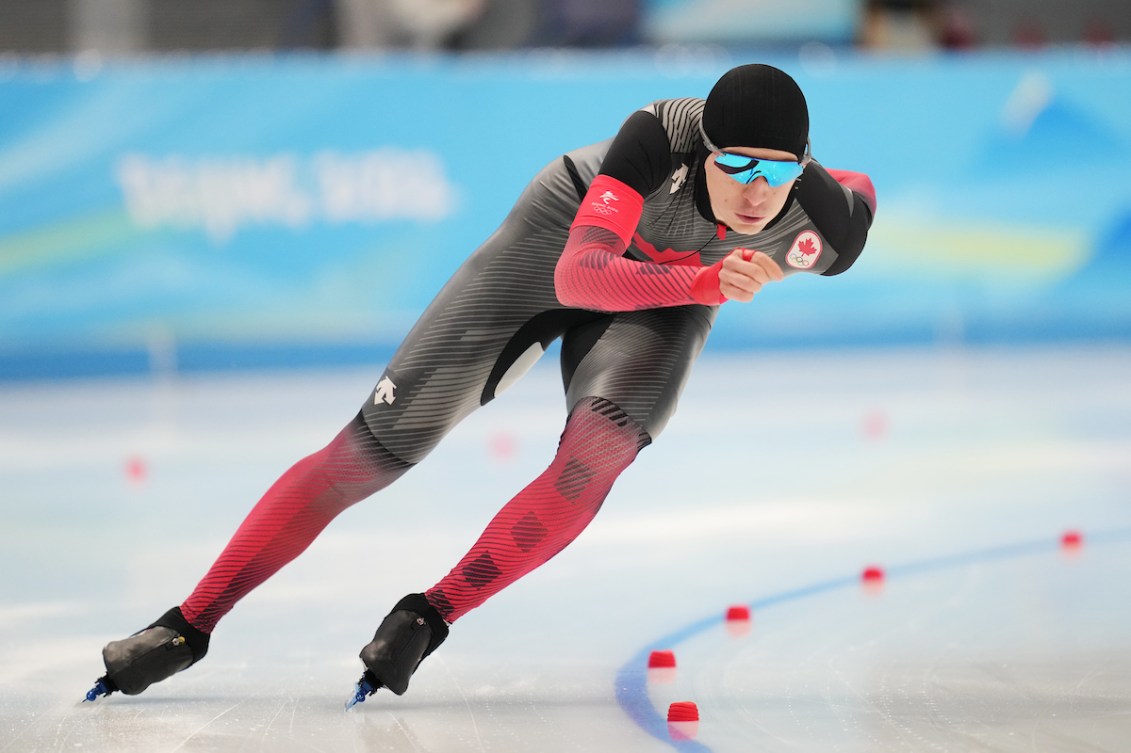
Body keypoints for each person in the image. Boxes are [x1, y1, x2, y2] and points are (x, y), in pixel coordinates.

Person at [87, 63, 876, 704]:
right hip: (558, 244)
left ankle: (427, 616)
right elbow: (580, 271)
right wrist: (705, 281)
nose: (752, 190)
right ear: (702, 151)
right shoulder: (653, 139)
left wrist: (716, 269)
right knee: (363, 457)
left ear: (800, 169)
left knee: (598, 454)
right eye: (732, 163)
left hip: (672, 290)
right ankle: (187, 625)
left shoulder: (819, 222)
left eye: (773, 172)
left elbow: (859, 194)